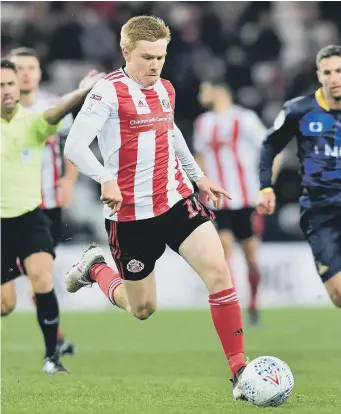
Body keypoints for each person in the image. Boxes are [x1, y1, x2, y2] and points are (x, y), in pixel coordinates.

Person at [63, 15, 249, 400]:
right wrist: (105, 178)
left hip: (176, 200)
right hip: (130, 216)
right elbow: (75, 146)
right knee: (142, 308)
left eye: (161, 57)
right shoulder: (106, 92)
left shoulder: (165, 88)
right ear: (126, 52)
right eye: (148, 57)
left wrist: (198, 177)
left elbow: (172, 130)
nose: (155, 65)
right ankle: (95, 268)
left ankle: (239, 370)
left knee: (219, 271)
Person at [0, 59, 103, 374]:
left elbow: (55, 111)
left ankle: (51, 358)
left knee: (42, 277)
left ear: (19, 88)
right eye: (0, 85)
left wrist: (81, 91)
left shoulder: (32, 121)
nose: (6, 90)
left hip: (31, 218)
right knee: (6, 305)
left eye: (10, 84)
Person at [257, 44, 341, 308]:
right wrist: (265, 187)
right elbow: (270, 145)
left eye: (339, 71)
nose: (334, 78)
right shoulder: (299, 110)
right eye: (327, 72)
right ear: (319, 75)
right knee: (338, 295)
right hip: (320, 211)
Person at [8, 47, 77, 356]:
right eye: (18, 67)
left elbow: (74, 146)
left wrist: (68, 180)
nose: (24, 73)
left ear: (38, 73)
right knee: (12, 296)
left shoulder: (54, 107)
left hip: (45, 205)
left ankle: (56, 341)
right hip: (8, 208)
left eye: (31, 67)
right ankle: (57, 337)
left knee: (40, 275)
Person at [194, 81, 279, 326]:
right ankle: (235, 306)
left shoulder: (244, 118)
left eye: (205, 89)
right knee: (224, 250)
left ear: (219, 91)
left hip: (245, 199)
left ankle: (253, 303)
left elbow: (271, 147)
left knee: (251, 257)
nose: (202, 95)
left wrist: (267, 184)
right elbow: (199, 158)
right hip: (217, 202)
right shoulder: (203, 123)